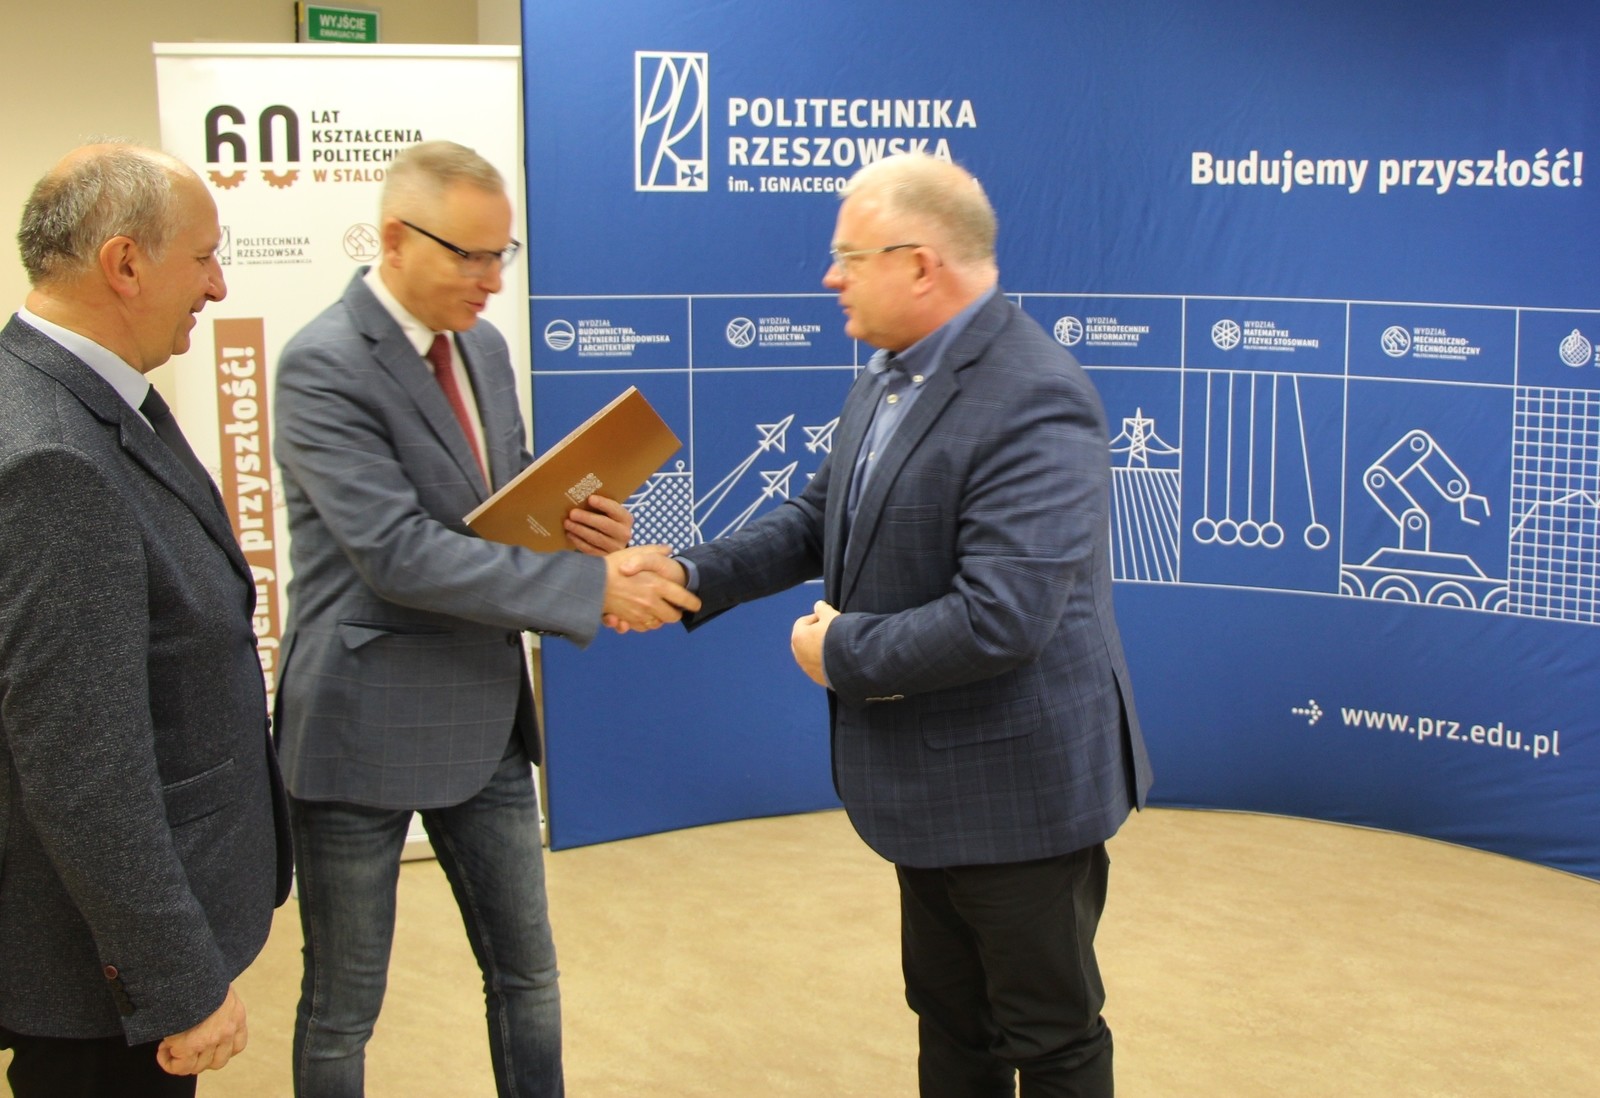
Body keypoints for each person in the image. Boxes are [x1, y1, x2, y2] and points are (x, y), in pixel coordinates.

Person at [617, 151, 1153, 1096]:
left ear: (919, 265)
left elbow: (1004, 617)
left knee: (1049, 1037)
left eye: (848, 257)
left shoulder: (1036, 394)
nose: (830, 278)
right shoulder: (888, 374)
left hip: (1020, 791)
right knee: (950, 1023)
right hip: (927, 782)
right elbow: (817, 519)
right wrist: (692, 574)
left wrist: (840, 651)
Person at [272, 139, 697, 1097]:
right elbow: (398, 553)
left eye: (501, 254)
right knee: (343, 1009)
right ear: (393, 239)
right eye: (468, 256)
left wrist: (583, 534)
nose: (492, 281)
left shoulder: (485, 349)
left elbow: (498, 519)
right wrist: (589, 593)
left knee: (528, 977)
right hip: (361, 725)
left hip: (484, 713)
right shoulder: (322, 364)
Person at [0, 143, 292, 1096]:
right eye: (203, 258)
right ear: (124, 264)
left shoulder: (83, 399)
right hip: (98, 981)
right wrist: (177, 981)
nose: (217, 285)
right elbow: (85, 767)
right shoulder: (55, 458)